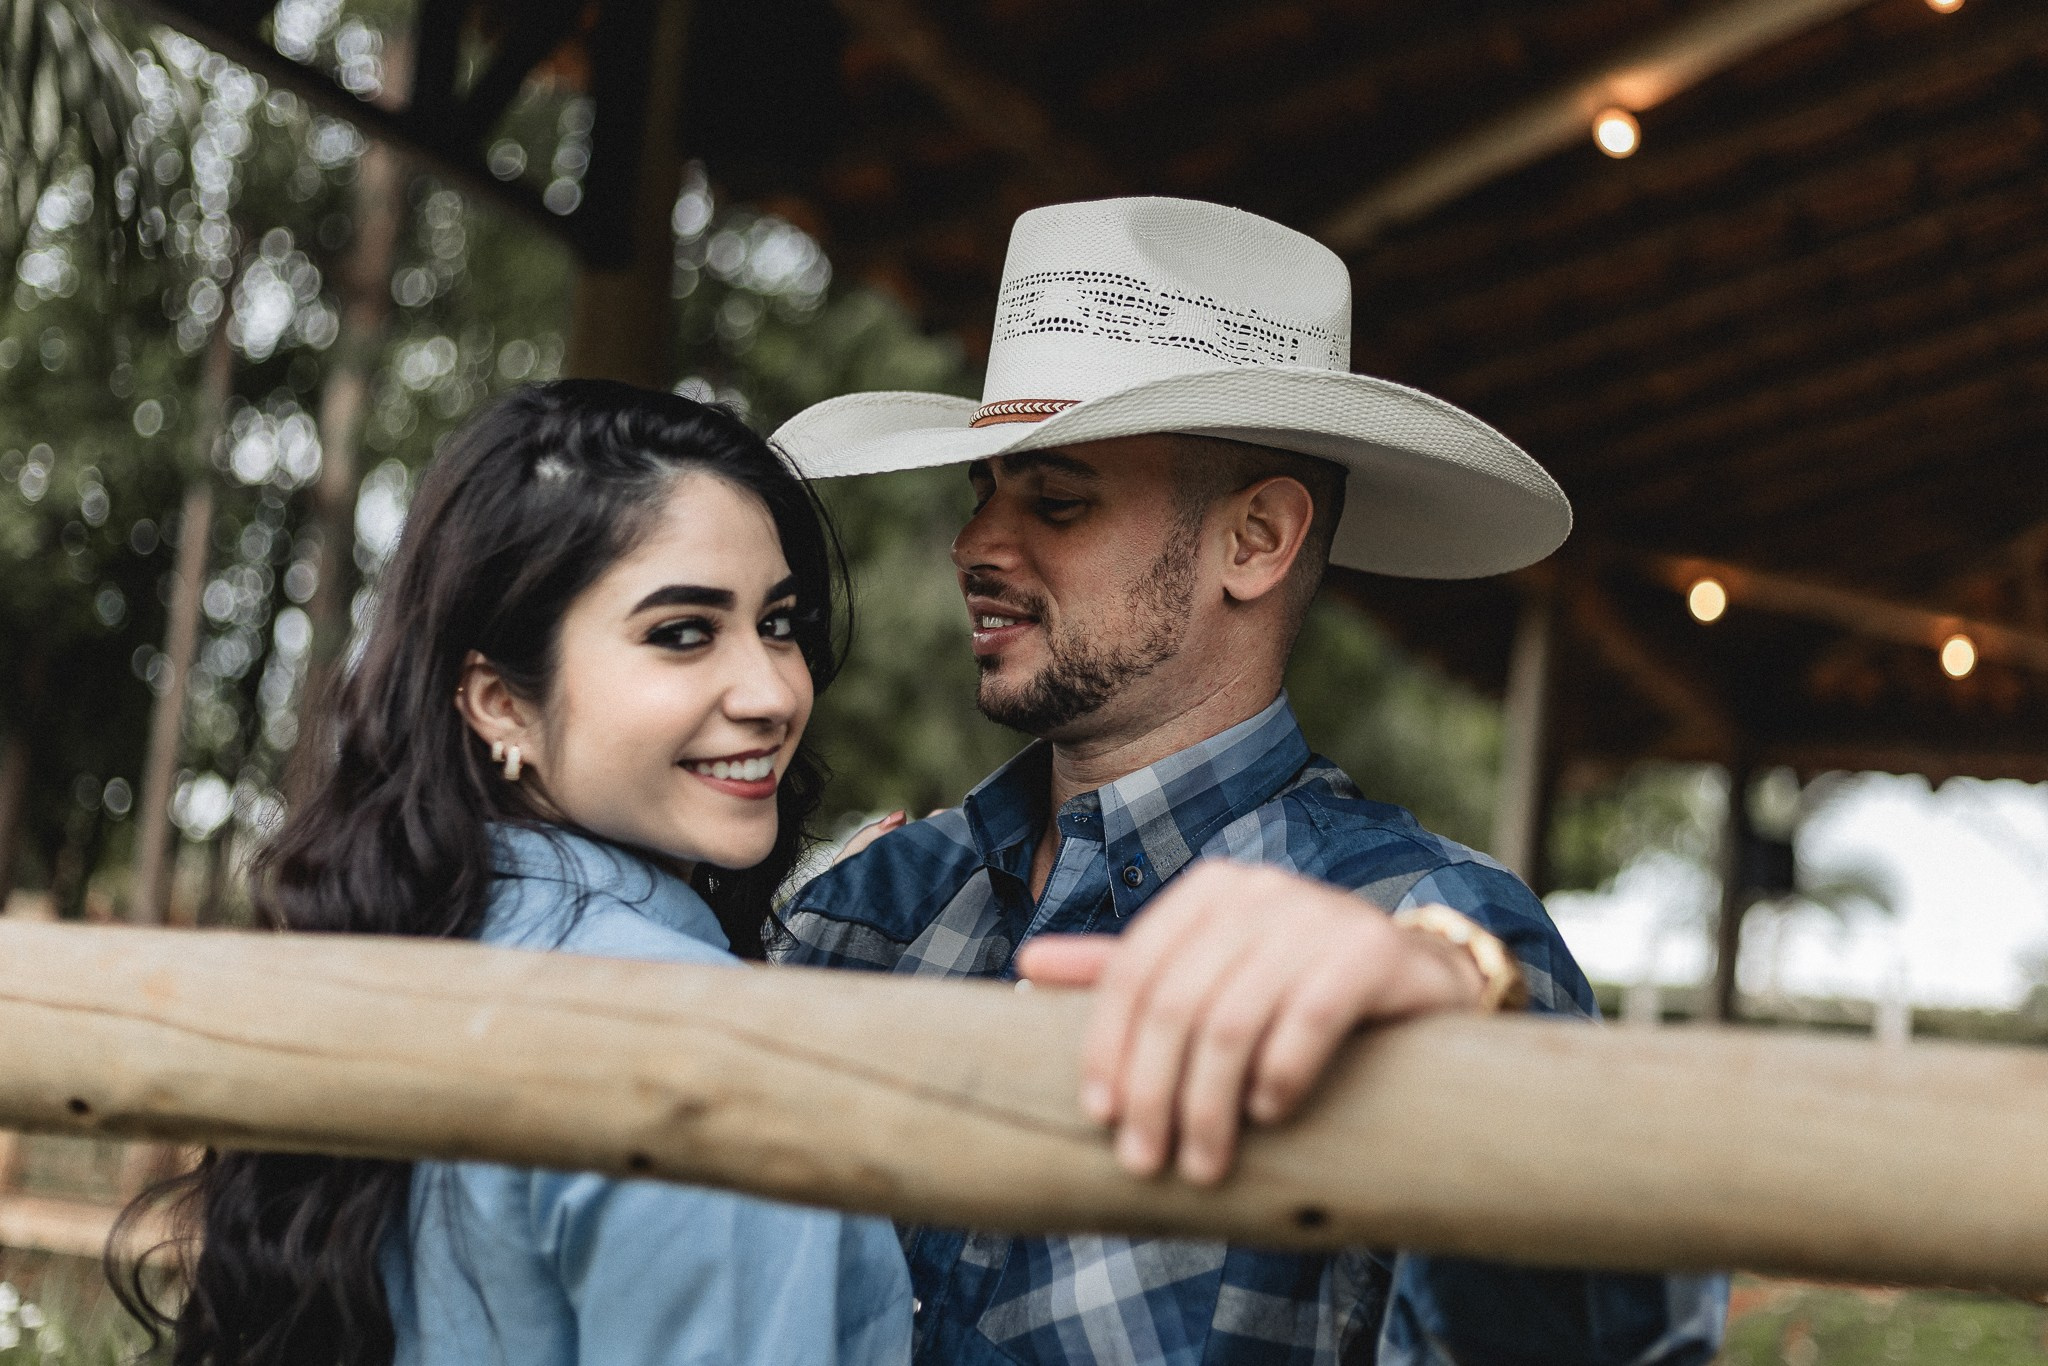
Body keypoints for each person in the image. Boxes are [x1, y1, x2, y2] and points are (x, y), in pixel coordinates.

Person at [769, 198, 1727, 1365]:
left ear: (1256, 540)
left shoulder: (1419, 931)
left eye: (1056, 499)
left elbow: (1604, 1336)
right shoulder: (861, 909)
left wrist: (1471, 1022)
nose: (976, 544)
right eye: (984, 488)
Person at [122, 382, 913, 1366]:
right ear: (499, 701)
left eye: (780, 622)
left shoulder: (385, 946)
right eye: (681, 631)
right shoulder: (709, 1049)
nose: (771, 691)